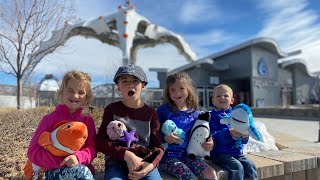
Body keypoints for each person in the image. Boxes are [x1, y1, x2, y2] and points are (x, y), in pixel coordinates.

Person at [95, 64, 164, 180]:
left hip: (144, 161)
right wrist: (126, 155)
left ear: (143, 85)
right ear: (118, 87)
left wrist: (149, 165)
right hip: (116, 162)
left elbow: (158, 147)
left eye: (135, 81)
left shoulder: (151, 114)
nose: (130, 85)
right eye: (124, 81)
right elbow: (100, 141)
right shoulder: (111, 109)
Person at [27, 70, 97, 179]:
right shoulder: (49, 119)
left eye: (81, 92)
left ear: (86, 97)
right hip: (55, 172)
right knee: (81, 172)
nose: (75, 95)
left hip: (83, 169)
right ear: (62, 92)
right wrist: (61, 162)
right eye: (70, 90)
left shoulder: (88, 121)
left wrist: (78, 158)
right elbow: (33, 152)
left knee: (82, 171)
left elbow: (92, 148)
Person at [157, 72, 217, 180]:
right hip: (167, 157)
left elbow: (204, 132)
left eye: (181, 88)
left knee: (210, 173)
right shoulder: (163, 110)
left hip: (189, 155)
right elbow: (153, 131)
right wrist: (164, 137)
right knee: (190, 177)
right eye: (173, 90)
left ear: (188, 89)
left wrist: (209, 142)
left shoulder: (195, 114)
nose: (177, 93)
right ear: (168, 92)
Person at [209, 84, 257, 180]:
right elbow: (213, 136)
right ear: (213, 101)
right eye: (218, 96)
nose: (222, 97)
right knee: (237, 167)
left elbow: (244, 139)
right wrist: (228, 133)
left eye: (226, 95)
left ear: (232, 101)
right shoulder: (212, 117)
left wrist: (244, 136)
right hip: (219, 153)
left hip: (236, 152)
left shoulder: (238, 116)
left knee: (250, 165)